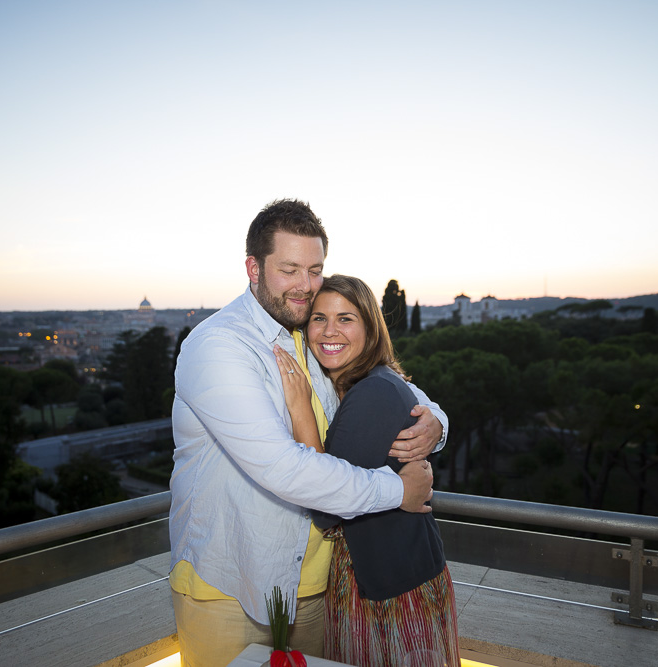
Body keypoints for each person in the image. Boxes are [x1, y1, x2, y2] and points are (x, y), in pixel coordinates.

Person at [170, 199, 449, 666]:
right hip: (232, 587)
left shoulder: (313, 336)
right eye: (290, 269)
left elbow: (398, 386)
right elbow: (281, 467)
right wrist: (396, 488)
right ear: (253, 268)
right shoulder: (219, 346)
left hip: (318, 590)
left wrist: (436, 424)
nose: (305, 286)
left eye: (315, 269)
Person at [274, 275, 460, 666]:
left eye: (346, 319)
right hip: (393, 576)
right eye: (318, 319)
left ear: (370, 327)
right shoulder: (367, 383)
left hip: (390, 590)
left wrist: (301, 411)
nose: (329, 331)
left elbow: (325, 506)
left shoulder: (371, 393)